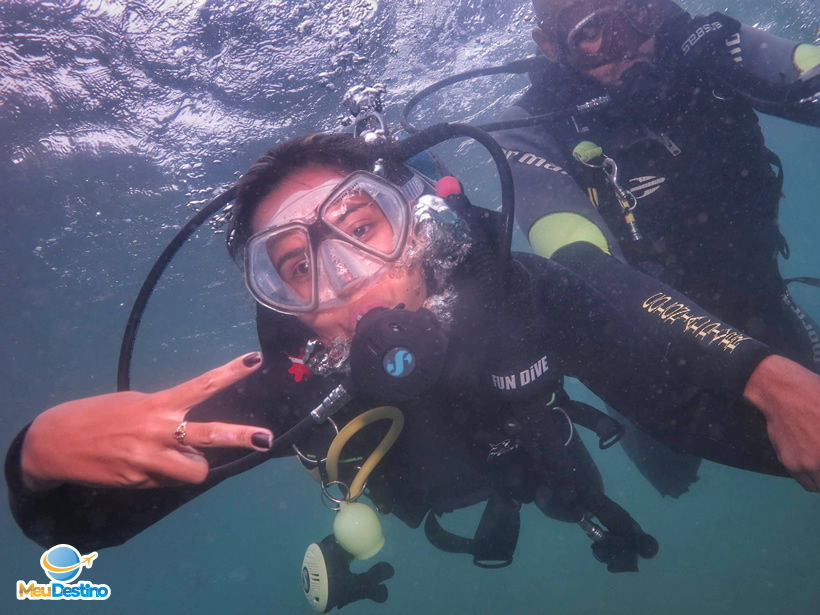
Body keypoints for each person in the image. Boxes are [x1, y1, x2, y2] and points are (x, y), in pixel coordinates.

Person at [6, 132, 820, 610]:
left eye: (364, 226)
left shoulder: (512, 293)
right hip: (411, 488)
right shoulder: (291, 383)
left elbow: (655, 355)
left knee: (603, 469)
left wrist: (767, 376)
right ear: (284, 302)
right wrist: (38, 456)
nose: (350, 276)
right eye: (298, 266)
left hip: (540, 453)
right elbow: (81, 527)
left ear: (417, 226)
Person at [492, 0, 820, 495]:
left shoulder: (710, 50)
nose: (629, 42)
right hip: (656, 363)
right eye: (591, 30)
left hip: (764, 307)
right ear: (548, 46)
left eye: (640, 12)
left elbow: (807, 70)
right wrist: (761, 376)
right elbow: (582, 265)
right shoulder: (530, 131)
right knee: (671, 474)